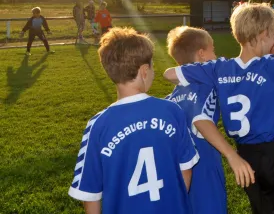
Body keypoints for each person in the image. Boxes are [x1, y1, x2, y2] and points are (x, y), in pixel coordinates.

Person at [163, 4, 274, 214]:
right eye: (272, 35)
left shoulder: (219, 67)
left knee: (261, 208)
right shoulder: (273, 65)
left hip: (245, 154)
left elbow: (170, 74)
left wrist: (201, 70)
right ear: (263, 35)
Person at [67, 27, 199, 214]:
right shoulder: (172, 111)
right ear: (145, 71)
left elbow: (91, 194)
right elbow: (186, 169)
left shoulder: (98, 125)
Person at [167, 26, 250, 214]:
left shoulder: (174, 94)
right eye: (213, 49)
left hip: (178, 165)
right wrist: (231, 155)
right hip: (202, 164)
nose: (216, 54)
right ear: (202, 54)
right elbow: (201, 119)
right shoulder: (203, 86)